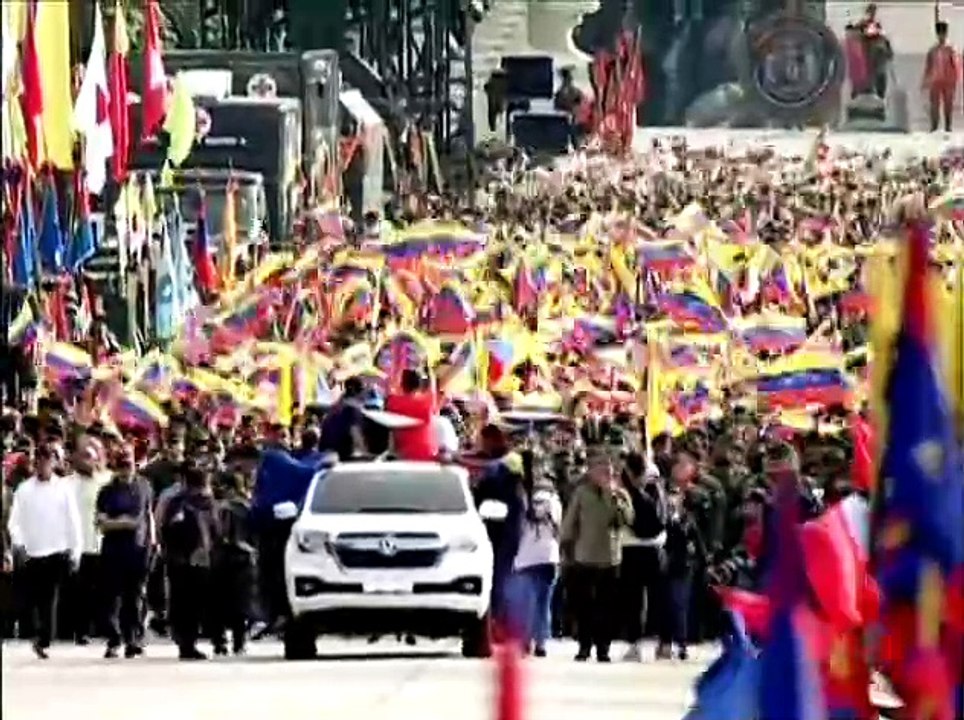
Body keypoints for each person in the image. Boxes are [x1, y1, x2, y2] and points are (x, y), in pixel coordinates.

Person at [7, 444, 82, 659]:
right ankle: (37, 633)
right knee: (33, 598)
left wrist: (75, 550)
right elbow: (14, 522)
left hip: (57, 550)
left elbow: (73, 521)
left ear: (53, 462)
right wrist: (19, 544)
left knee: (49, 597)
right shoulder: (24, 490)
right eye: (39, 460)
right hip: (32, 552)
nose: (42, 465)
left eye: (47, 460)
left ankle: (44, 637)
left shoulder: (63, 489)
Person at [560, 447, 634, 663]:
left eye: (609, 472)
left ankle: (603, 648)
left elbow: (627, 520)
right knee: (584, 606)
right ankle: (584, 646)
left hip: (610, 558)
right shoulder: (581, 493)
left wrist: (615, 498)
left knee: (607, 607)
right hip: (584, 557)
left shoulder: (620, 494)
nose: (605, 475)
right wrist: (565, 546)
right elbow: (570, 523)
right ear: (591, 473)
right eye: (601, 471)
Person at [96, 446, 153, 658]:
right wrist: (119, 522)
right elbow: (101, 524)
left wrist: (114, 521)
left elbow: (137, 520)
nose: (124, 469)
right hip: (112, 550)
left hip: (137, 549)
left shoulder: (143, 486)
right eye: (120, 465)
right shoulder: (106, 491)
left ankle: (133, 640)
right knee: (111, 598)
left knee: (135, 597)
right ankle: (114, 639)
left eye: (127, 464)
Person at [161, 464, 221, 660]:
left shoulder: (176, 502)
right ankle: (194, 642)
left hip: (181, 561)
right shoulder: (206, 503)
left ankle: (187, 643)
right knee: (195, 604)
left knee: (184, 604)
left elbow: (166, 530)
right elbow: (217, 531)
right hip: (196, 561)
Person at [618, 455, 668, 662]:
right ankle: (664, 642)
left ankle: (635, 644)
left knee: (633, 600)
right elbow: (663, 519)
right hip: (656, 549)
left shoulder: (626, 494)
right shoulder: (658, 490)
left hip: (631, 549)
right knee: (657, 599)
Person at [510, 472, 562, 657]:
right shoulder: (554, 502)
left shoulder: (523, 502)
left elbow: (516, 531)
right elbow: (559, 529)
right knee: (544, 603)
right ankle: (541, 643)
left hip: (526, 558)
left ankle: (525, 641)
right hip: (549, 557)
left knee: (526, 603)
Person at [64, 439, 109, 644]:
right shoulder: (66, 484)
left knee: (103, 590)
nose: (89, 460)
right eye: (85, 456)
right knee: (79, 591)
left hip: (102, 543)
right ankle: (79, 631)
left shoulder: (108, 481)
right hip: (77, 545)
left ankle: (104, 628)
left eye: (93, 455)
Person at [657, 485, 706, 660]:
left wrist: (698, 562)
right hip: (665, 568)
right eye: (670, 495)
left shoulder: (687, 520)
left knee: (679, 605)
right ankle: (665, 643)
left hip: (682, 567)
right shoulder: (663, 516)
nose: (672, 499)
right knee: (665, 605)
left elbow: (697, 545)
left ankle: (681, 643)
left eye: (676, 495)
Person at [211, 471, 256, 656]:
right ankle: (239, 642)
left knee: (218, 603)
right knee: (241, 604)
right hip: (243, 560)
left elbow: (219, 535)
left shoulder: (220, 508)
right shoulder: (248, 507)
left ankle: (220, 642)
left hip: (221, 559)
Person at [386, 369, 438, 461]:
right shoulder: (428, 401)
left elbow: (390, 388)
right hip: (428, 454)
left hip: (405, 455)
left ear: (401, 384)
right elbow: (432, 388)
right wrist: (430, 371)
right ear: (420, 385)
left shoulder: (393, 402)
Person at [318, 375, 368, 460]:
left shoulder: (336, 406)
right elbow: (356, 434)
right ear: (359, 391)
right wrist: (365, 453)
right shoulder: (352, 410)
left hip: (325, 453)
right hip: (340, 455)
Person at [923, 21, 958, 132]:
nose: (941, 36)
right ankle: (934, 126)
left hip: (948, 80)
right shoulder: (933, 50)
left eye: (943, 33)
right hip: (935, 79)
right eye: (940, 33)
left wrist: (955, 78)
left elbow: (955, 64)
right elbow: (928, 65)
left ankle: (948, 126)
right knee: (934, 104)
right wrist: (926, 79)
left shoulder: (951, 49)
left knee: (948, 104)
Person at [856, 3, 892, 98]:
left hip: (876, 54)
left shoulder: (877, 26)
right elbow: (860, 34)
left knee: (879, 74)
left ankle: (878, 92)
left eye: (873, 11)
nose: (872, 13)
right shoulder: (863, 24)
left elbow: (882, 37)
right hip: (866, 52)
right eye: (871, 11)